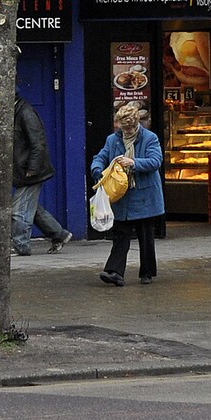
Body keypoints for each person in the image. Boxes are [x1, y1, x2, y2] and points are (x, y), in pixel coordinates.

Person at [91, 102, 164, 286]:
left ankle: (147, 273)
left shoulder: (150, 138)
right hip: (122, 196)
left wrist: (132, 162)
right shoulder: (112, 140)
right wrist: (98, 169)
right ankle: (115, 272)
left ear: (137, 123)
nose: (127, 131)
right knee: (121, 235)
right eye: (124, 128)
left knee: (146, 236)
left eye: (130, 128)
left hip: (144, 195)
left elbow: (155, 161)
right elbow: (100, 156)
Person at [12, 95, 72, 254]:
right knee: (31, 207)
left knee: (19, 210)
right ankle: (59, 234)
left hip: (29, 171)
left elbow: (38, 142)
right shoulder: (17, 111)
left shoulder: (25, 113)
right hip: (24, 169)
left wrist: (32, 168)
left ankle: (21, 245)